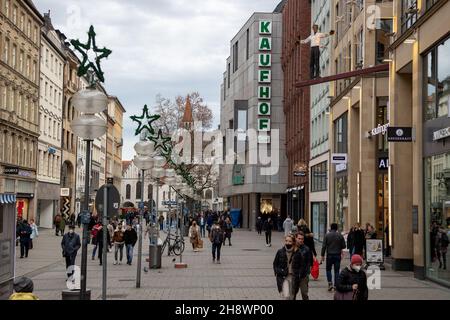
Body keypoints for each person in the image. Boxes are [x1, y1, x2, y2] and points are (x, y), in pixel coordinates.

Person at [273, 235, 302, 300]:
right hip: (283, 277)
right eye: (286, 241)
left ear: (293, 242)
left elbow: (301, 265)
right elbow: (275, 264)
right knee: (286, 295)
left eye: (290, 241)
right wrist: (278, 272)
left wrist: (299, 274)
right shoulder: (280, 252)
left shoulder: (297, 252)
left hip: (293, 277)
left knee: (292, 296)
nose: (287, 243)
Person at [321, 223, 346, 292]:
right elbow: (344, 246)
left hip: (329, 255)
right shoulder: (340, 235)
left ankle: (330, 284)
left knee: (328, 269)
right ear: (336, 228)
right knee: (337, 271)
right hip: (337, 255)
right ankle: (336, 285)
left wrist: (322, 255)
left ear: (331, 228)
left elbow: (323, 246)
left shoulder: (327, 235)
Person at [295, 232, 313, 300]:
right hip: (294, 275)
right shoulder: (293, 248)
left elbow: (310, 262)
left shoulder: (307, 249)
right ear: (296, 238)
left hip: (304, 276)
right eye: (299, 238)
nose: (300, 240)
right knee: (292, 294)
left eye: (302, 239)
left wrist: (307, 273)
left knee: (304, 294)